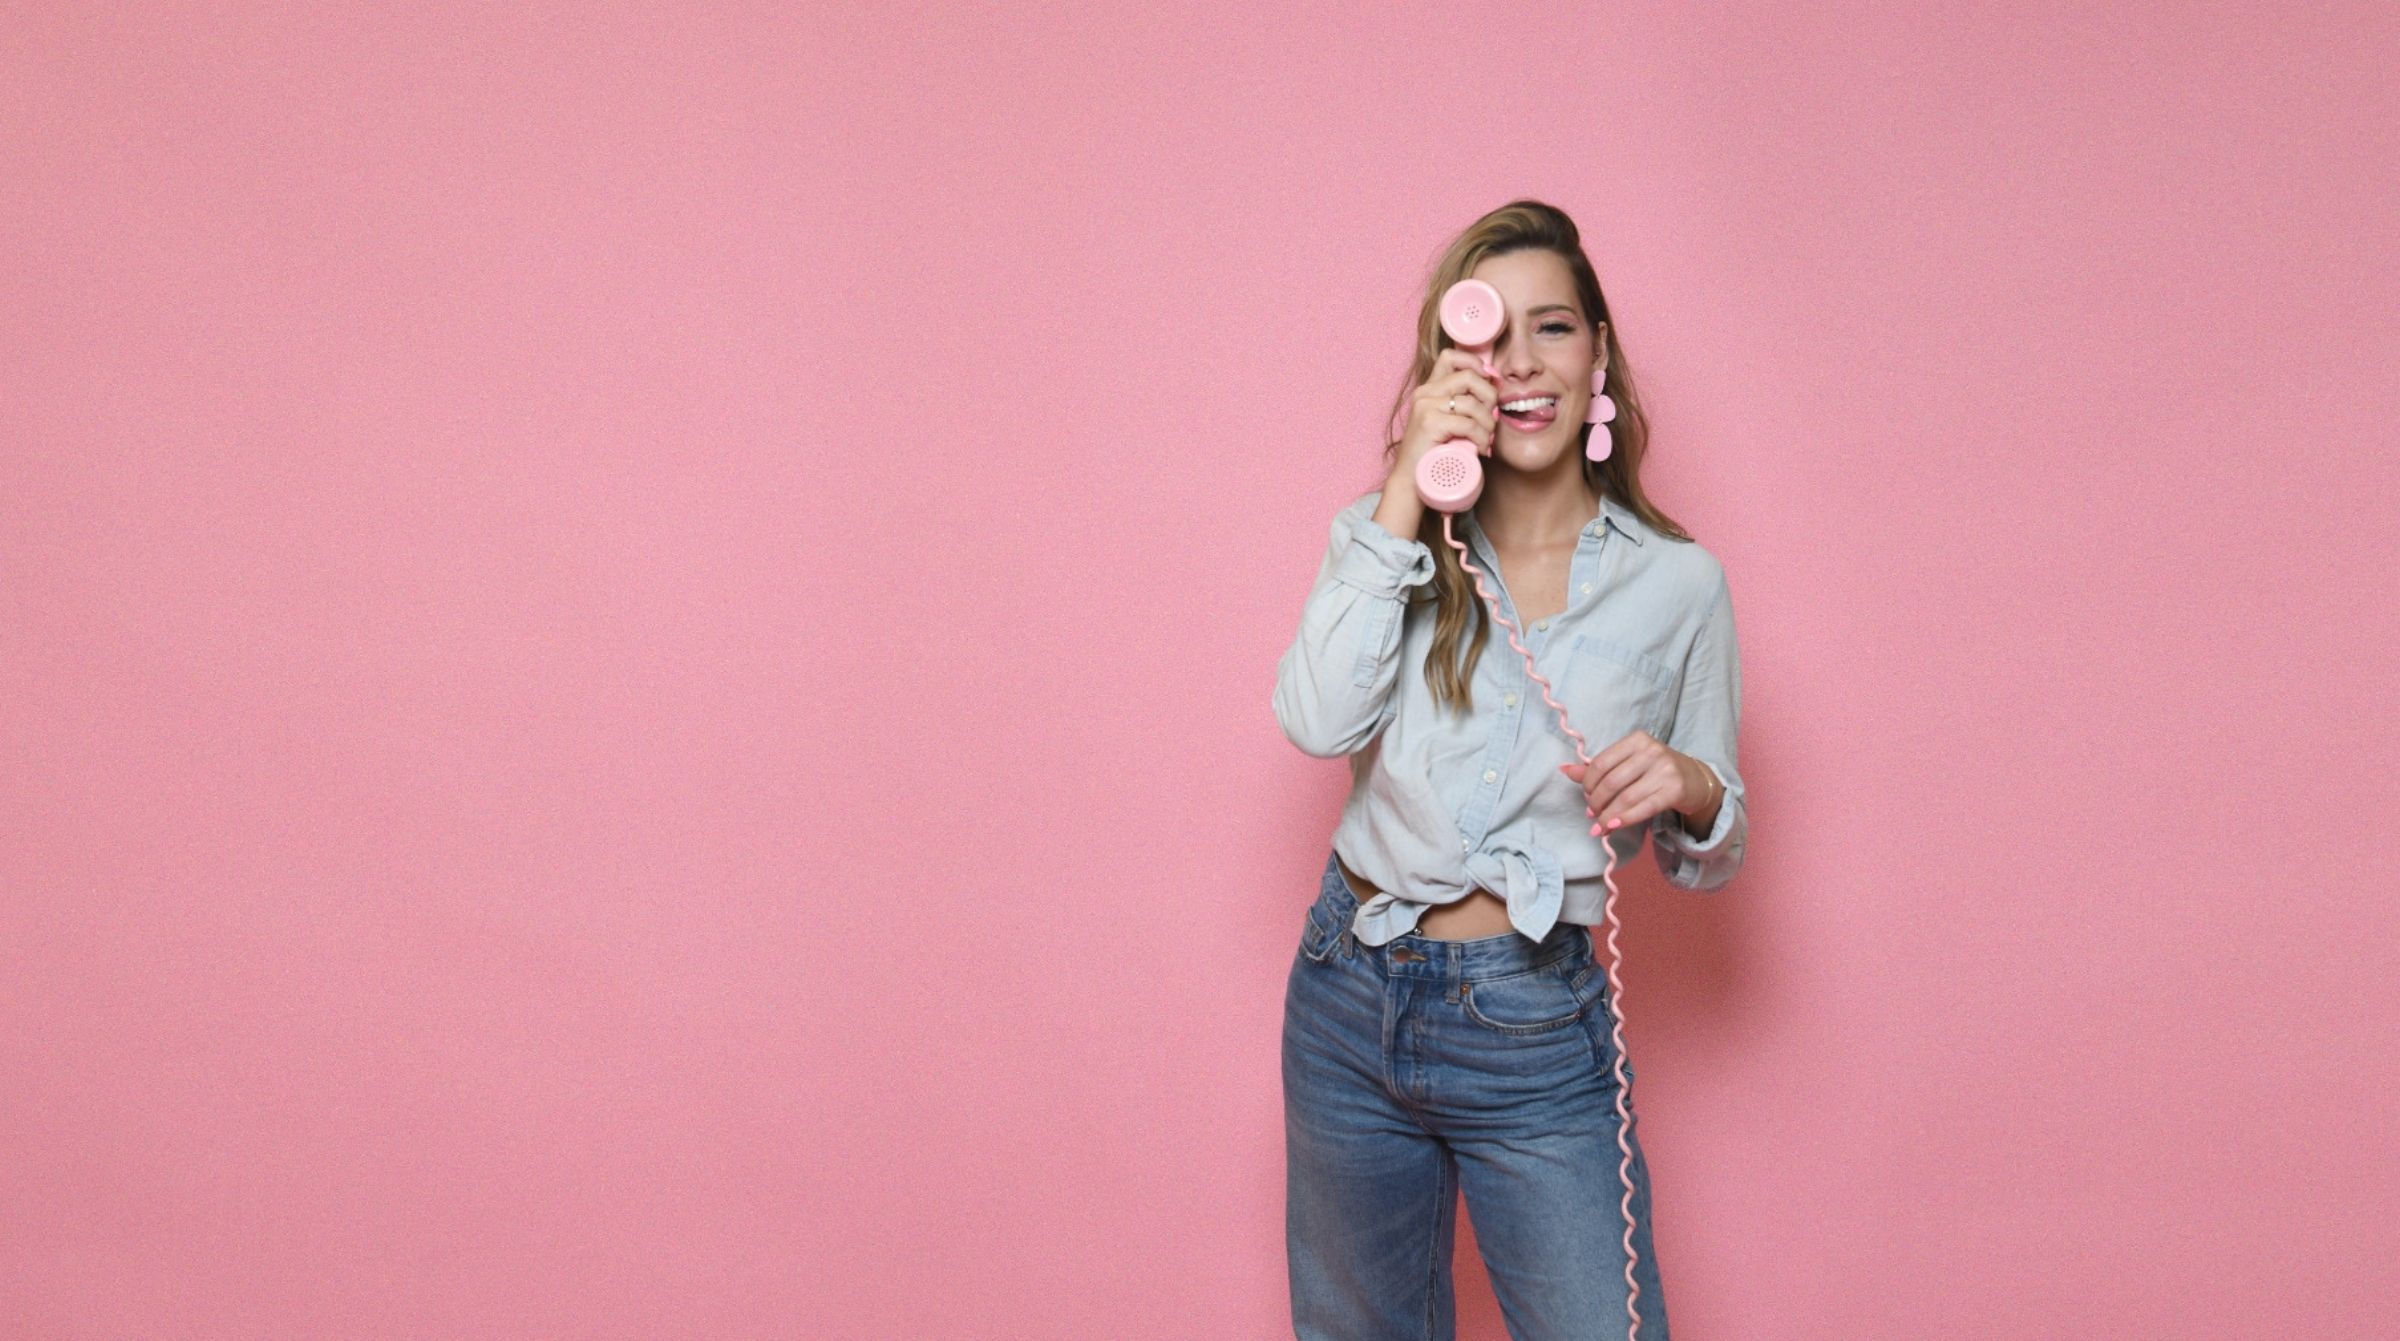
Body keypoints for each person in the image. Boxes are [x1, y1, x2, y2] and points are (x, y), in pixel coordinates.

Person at [1270, 200, 1747, 1340]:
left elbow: (1714, 848)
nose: (1522, 365)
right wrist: (1405, 489)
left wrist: (1687, 784)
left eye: (1555, 330)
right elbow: (1316, 719)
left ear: (1599, 362)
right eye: (1488, 339)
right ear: (1449, 366)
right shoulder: (1385, 541)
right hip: (1348, 987)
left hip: (1532, 1016)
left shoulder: (1680, 585)